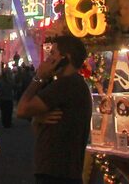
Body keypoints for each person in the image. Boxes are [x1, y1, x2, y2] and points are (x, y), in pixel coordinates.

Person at [16, 35, 92, 184]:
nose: (47, 59)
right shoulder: (74, 84)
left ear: (65, 58)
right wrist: (37, 118)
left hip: (57, 173)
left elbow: (22, 110)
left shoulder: (66, 85)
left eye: (52, 53)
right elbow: (39, 128)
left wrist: (39, 77)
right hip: (60, 171)